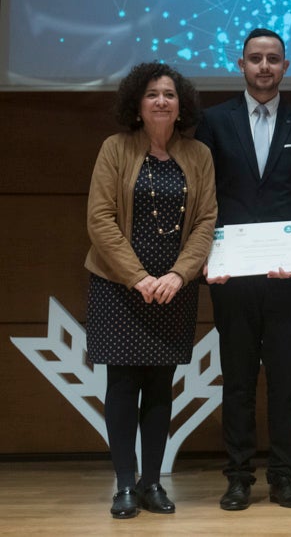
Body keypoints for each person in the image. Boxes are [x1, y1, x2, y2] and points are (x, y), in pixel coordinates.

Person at [195, 28, 291, 511]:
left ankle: (284, 477)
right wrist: (212, 256)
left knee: (287, 380)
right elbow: (206, 198)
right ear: (241, 64)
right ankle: (238, 477)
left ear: (286, 66)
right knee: (240, 379)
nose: (264, 67)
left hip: (289, 279)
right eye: (255, 59)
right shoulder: (212, 123)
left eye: (273, 59)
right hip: (232, 277)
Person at [85, 62, 217, 519]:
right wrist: (138, 277)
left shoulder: (198, 154)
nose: (161, 101)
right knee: (122, 386)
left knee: (161, 387)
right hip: (120, 286)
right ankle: (124, 485)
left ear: (181, 106)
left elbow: (205, 222)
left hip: (173, 289)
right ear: (136, 106)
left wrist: (179, 275)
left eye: (169, 94)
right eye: (152, 95)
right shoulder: (114, 149)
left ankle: (152, 482)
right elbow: (100, 218)